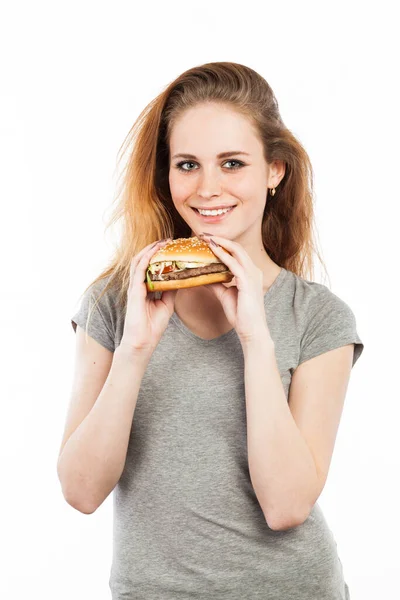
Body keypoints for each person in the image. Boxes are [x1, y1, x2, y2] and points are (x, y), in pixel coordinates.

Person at [57, 62, 364, 599]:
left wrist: (255, 338)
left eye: (232, 163)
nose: (207, 188)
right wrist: (135, 348)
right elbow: (81, 492)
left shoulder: (318, 317)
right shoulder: (114, 301)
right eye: (187, 164)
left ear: (275, 170)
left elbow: (287, 505)